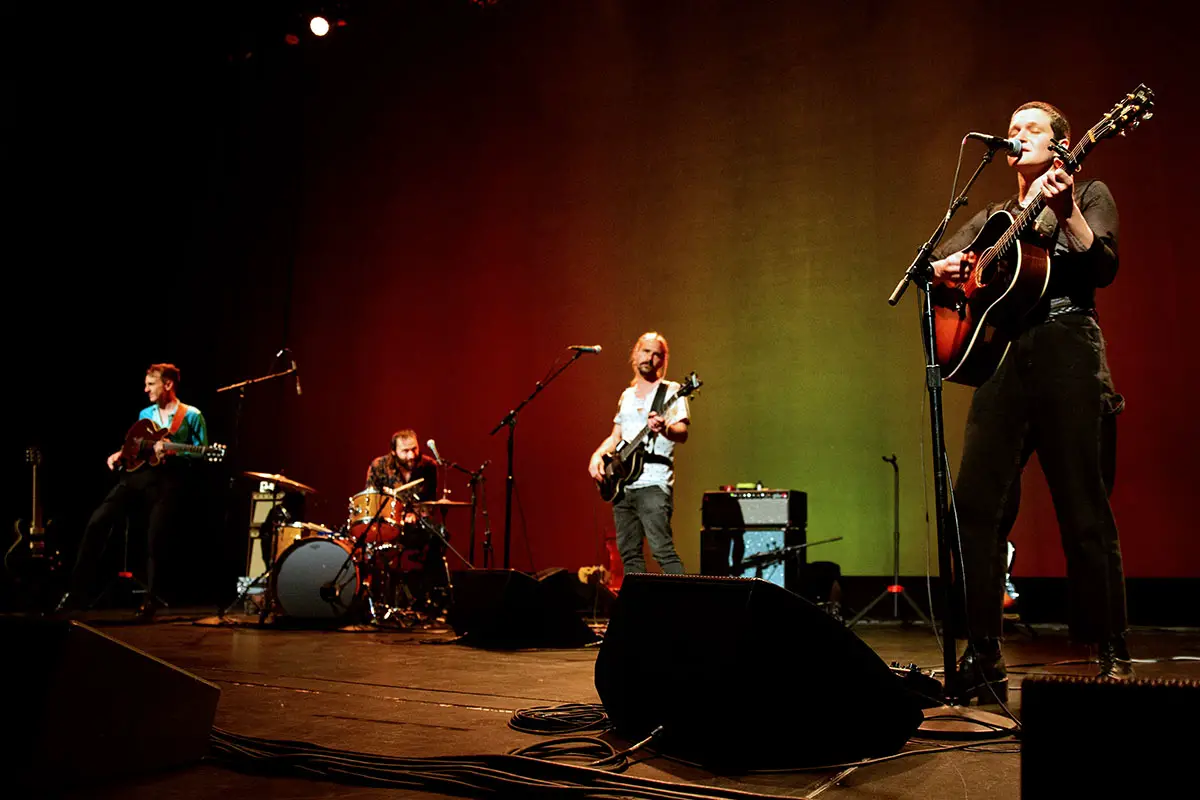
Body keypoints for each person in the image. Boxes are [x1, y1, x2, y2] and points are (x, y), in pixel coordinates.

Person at [930, 100, 1130, 700]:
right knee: (975, 505)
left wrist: (1067, 214)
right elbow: (936, 269)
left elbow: (1104, 266)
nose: (1017, 136)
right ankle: (983, 651)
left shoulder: (1089, 189)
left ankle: (1109, 648)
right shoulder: (994, 215)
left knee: (1084, 505)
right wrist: (944, 271)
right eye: (1013, 129)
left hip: (1068, 345)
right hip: (1002, 356)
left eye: (1032, 128)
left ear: (1062, 143)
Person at [58, 363, 209, 620]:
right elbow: (135, 445)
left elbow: (204, 452)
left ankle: (151, 600)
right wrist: (120, 454)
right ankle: (76, 593)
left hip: (170, 479)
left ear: (168, 384)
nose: (146, 389)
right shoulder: (145, 413)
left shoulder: (192, 415)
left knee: (155, 536)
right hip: (139, 476)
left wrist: (174, 451)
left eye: (151, 384)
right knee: (98, 520)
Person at [589, 332, 690, 576]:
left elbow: (682, 432)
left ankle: (688, 609)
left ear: (663, 361)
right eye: (646, 351)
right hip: (623, 486)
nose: (650, 358)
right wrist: (596, 456)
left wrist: (664, 427)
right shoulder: (627, 396)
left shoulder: (671, 391)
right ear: (635, 354)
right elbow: (616, 437)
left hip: (654, 484)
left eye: (657, 354)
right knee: (629, 555)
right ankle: (640, 611)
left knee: (662, 551)